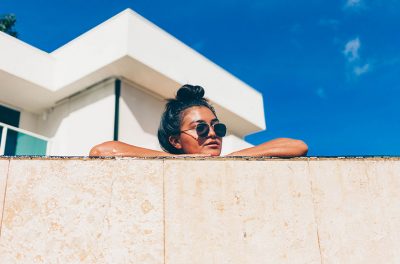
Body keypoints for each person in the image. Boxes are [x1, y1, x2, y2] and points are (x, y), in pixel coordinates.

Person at [89, 84, 308, 157]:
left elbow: (298, 146)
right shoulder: (167, 163)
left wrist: (232, 158)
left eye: (217, 128)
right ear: (175, 141)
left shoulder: (230, 161)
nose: (212, 134)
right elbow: (101, 151)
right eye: (200, 128)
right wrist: (180, 160)